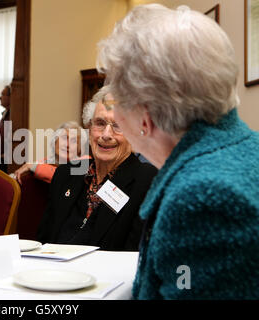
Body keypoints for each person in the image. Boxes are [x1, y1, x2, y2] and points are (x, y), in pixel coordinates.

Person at [97, 4, 259, 299]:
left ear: (144, 118)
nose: (114, 117)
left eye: (117, 101)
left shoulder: (200, 197)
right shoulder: (247, 147)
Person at [36, 88, 157, 251]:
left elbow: (134, 255)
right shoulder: (66, 174)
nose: (106, 135)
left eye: (118, 125)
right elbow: (44, 239)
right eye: (100, 123)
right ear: (89, 128)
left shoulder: (146, 180)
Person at [13, 121, 88, 184]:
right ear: (55, 141)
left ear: (79, 148)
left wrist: (32, 166)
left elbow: (65, 176)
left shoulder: (85, 162)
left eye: (74, 141)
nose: (68, 145)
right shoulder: (46, 161)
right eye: (64, 138)